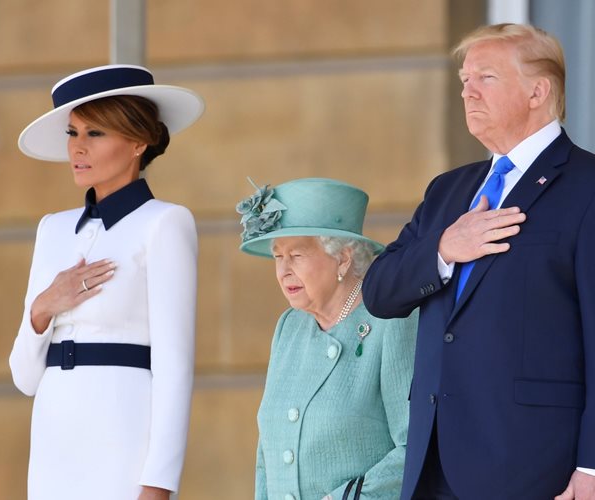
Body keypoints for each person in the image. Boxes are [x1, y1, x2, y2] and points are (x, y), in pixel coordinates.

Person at [362, 22, 595, 500]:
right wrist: (444, 249)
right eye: (464, 79)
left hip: (535, 469)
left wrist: (592, 468)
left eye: (485, 77)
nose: (468, 91)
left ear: (537, 91)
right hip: (433, 461)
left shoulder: (588, 186)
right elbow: (379, 291)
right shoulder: (448, 190)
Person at [9, 64, 204, 500]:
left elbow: (175, 366)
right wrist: (44, 305)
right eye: (72, 133)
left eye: (94, 134)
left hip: (124, 440)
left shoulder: (166, 223)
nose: (77, 149)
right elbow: (24, 377)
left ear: (139, 141)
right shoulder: (51, 229)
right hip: (53, 442)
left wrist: (158, 483)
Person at [236, 177, 417, 500]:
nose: (283, 270)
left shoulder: (391, 321)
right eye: (279, 256)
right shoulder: (289, 327)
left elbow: (414, 446)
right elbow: (268, 455)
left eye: (297, 256)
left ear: (343, 259)